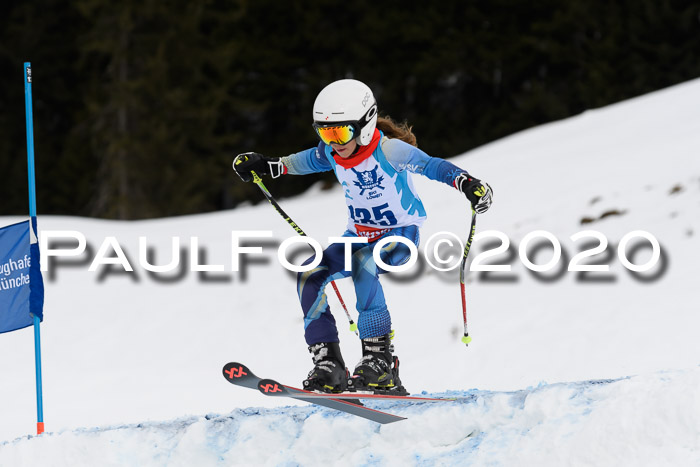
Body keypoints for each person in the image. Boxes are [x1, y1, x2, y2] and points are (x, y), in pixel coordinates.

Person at [233, 79, 492, 394]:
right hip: (357, 237)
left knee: (362, 262)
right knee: (309, 272)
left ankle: (378, 360)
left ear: (365, 125)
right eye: (325, 133)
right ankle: (329, 363)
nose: (334, 142)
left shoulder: (390, 151)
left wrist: (466, 183)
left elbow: (432, 166)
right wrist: (269, 167)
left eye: (340, 132)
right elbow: (300, 162)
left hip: (399, 236)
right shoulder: (333, 152)